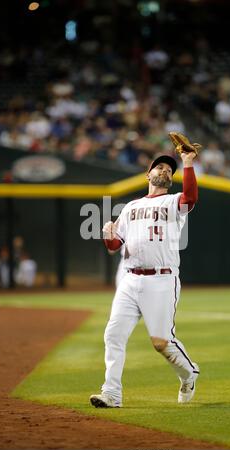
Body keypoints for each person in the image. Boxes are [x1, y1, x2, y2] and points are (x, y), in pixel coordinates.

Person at [90, 149, 199, 408]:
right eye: (159, 168)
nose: (164, 171)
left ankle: (189, 374)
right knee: (113, 335)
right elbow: (115, 245)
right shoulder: (131, 207)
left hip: (161, 280)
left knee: (161, 343)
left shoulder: (174, 202)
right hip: (130, 280)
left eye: (169, 170)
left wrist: (187, 162)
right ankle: (112, 394)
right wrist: (108, 234)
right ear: (147, 173)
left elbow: (191, 196)